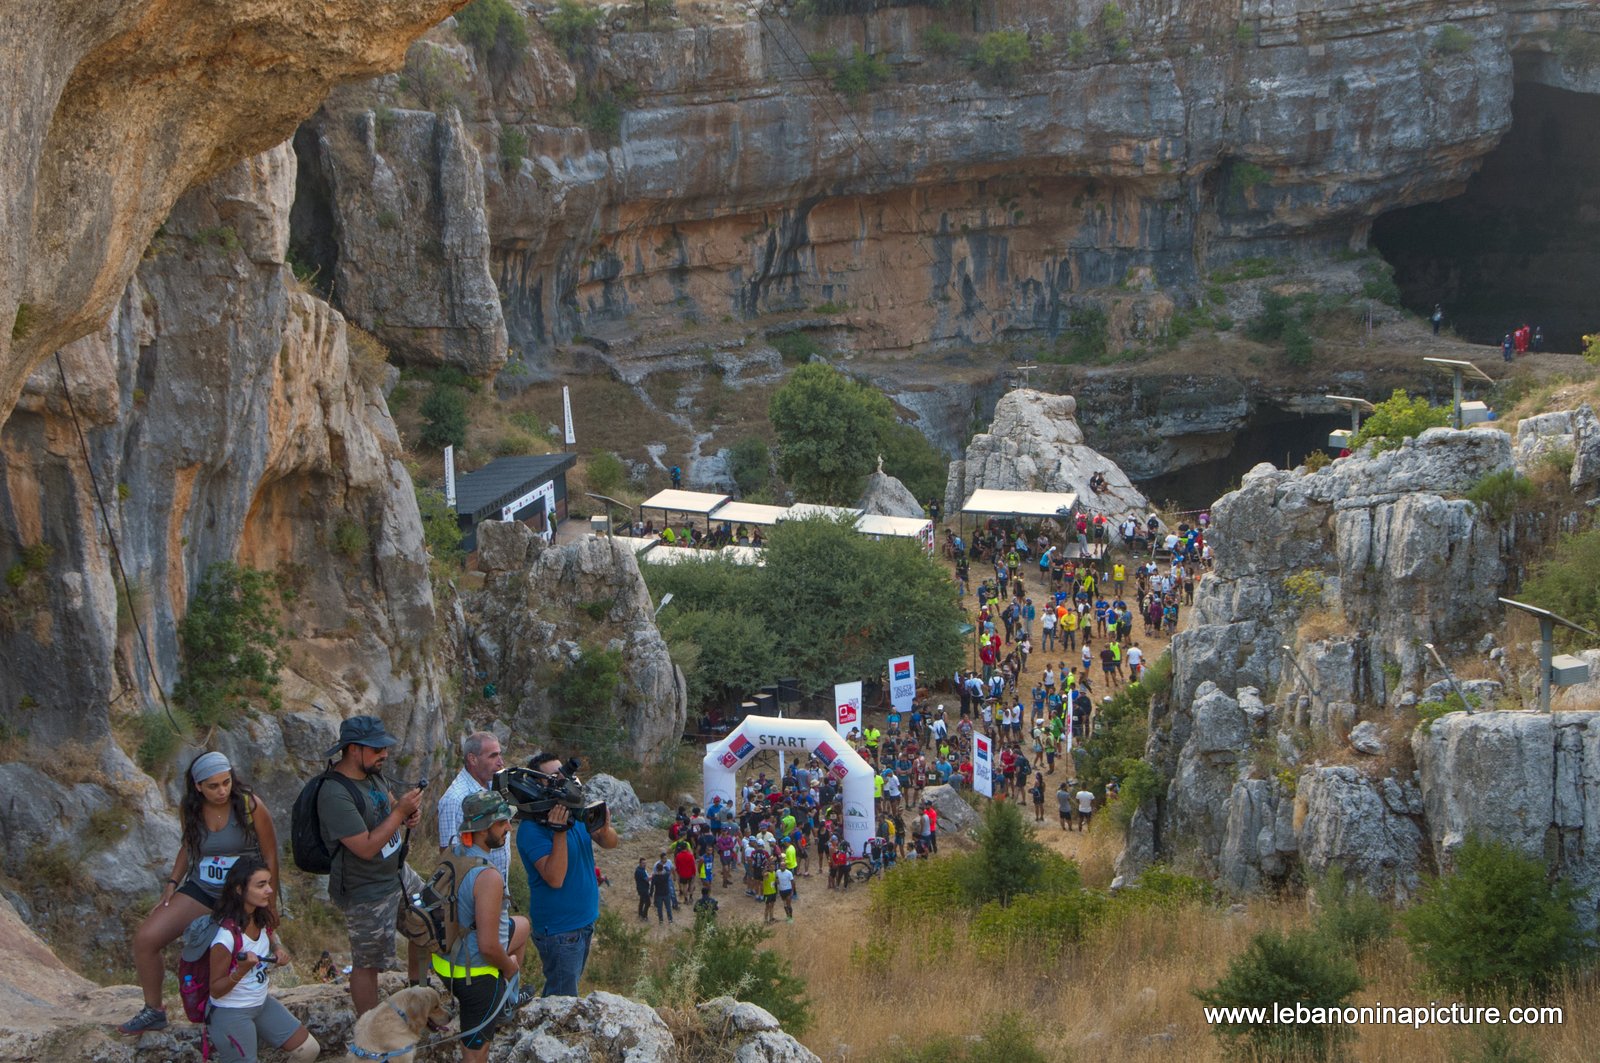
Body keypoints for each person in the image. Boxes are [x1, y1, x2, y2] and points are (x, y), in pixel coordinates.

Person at [120, 751, 277, 1035]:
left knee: (232, 952)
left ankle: (241, 1010)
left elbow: (271, 854)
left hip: (242, 894)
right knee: (146, 939)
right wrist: (172, 881)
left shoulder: (249, 805)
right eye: (213, 786)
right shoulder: (190, 809)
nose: (222, 791)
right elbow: (188, 846)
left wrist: (271, 902)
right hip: (202, 887)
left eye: (226, 782)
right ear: (198, 787)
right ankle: (153, 1010)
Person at [317, 715, 426, 1017]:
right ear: (354, 749)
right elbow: (364, 847)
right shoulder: (334, 793)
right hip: (365, 889)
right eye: (377, 749)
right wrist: (400, 811)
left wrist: (405, 814)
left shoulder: (372, 774)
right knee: (368, 963)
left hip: (397, 874)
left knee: (431, 921)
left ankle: (419, 1000)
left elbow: (389, 808)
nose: (385, 754)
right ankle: (371, 1033)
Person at [436, 792, 531, 1063]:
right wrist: (511, 968)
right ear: (482, 828)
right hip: (475, 975)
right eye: (502, 823)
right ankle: (501, 997)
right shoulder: (488, 876)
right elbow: (489, 948)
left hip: (445, 960)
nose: (509, 828)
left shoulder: (453, 853)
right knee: (476, 1054)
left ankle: (505, 1004)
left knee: (522, 926)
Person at [516, 752, 620, 996]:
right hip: (560, 930)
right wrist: (559, 831)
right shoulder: (531, 830)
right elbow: (555, 877)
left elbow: (611, 843)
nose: (562, 781)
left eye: (563, 775)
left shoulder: (575, 812)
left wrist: (604, 830)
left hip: (584, 922)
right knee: (561, 1000)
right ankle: (552, 1033)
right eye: (553, 777)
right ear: (538, 786)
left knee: (566, 991)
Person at [204, 856, 319, 1063]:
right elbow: (215, 989)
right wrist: (240, 971)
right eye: (261, 885)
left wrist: (277, 948)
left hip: (261, 1003)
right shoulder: (225, 937)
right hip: (231, 1012)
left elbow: (270, 935)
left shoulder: (260, 916)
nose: (269, 890)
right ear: (240, 889)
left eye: (269, 883)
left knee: (308, 1049)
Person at [438, 732, 509, 893]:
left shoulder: (494, 787)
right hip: (476, 893)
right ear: (472, 759)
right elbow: (448, 856)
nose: (501, 762)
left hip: (498, 887)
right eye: (493, 756)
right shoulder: (455, 799)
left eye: (500, 755)